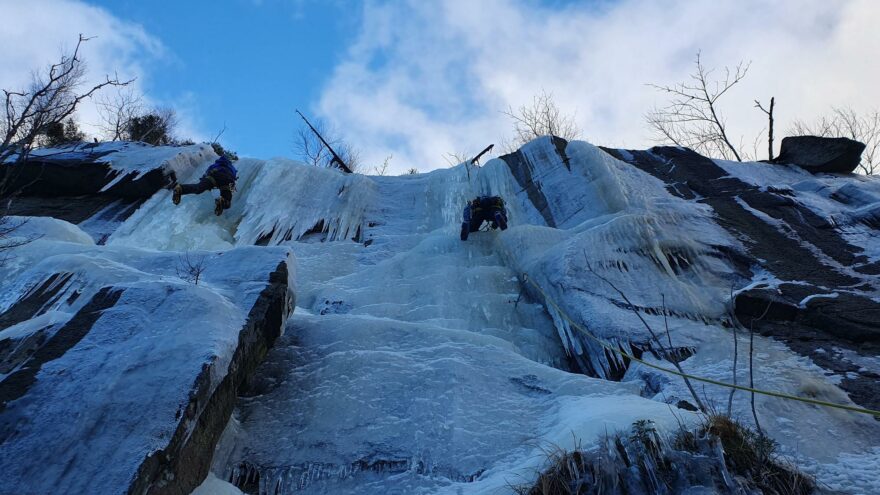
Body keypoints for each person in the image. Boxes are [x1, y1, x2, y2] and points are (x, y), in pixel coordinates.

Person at [172, 154, 238, 215]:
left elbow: (207, 173)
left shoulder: (216, 164)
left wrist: (204, 182)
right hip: (228, 179)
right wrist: (232, 190)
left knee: (198, 188)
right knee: (227, 199)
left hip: (213, 175)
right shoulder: (232, 168)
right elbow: (233, 179)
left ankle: (180, 188)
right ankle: (222, 201)